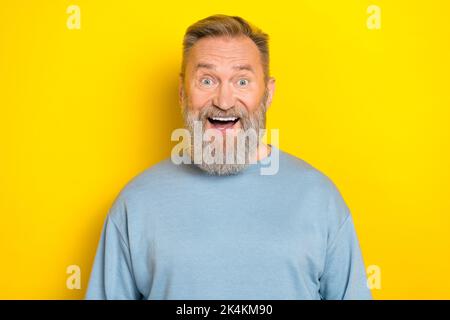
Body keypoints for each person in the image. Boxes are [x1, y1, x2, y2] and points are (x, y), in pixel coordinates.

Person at [85, 14, 372, 300]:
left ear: (268, 93)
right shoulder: (135, 204)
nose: (224, 101)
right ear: (182, 93)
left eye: (242, 81)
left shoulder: (319, 198)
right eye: (207, 80)